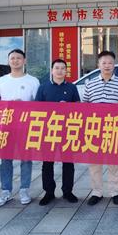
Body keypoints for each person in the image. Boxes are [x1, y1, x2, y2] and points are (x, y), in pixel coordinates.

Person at [0, 49, 40, 207]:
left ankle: (24, 189)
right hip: (6, 126)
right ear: (8, 61)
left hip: (26, 126)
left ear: (24, 61)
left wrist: (23, 105)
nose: (15, 60)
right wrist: (8, 104)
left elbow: (39, 105)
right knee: (5, 159)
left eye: (19, 58)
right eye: (12, 58)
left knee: (26, 158)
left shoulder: (33, 81)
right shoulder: (1, 81)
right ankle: (6, 191)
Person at [84, 50, 118, 206]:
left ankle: (115, 191)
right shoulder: (90, 84)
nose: (107, 65)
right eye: (104, 63)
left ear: (114, 65)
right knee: (94, 162)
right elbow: (85, 105)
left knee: (114, 161)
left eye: (110, 62)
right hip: (94, 128)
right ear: (98, 64)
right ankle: (96, 192)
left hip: (113, 128)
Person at [35, 59, 81, 206]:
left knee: (68, 162)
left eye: (62, 68)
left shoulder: (72, 88)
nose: (60, 71)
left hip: (67, 130)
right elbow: (36, 109)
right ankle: (49, 192)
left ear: (66, 71)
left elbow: (79, 107)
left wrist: (68, 107)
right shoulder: (43, 87)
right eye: (57, 68)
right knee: (47, 163)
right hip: (48, 131)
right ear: (52, 70)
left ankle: (68, 191)